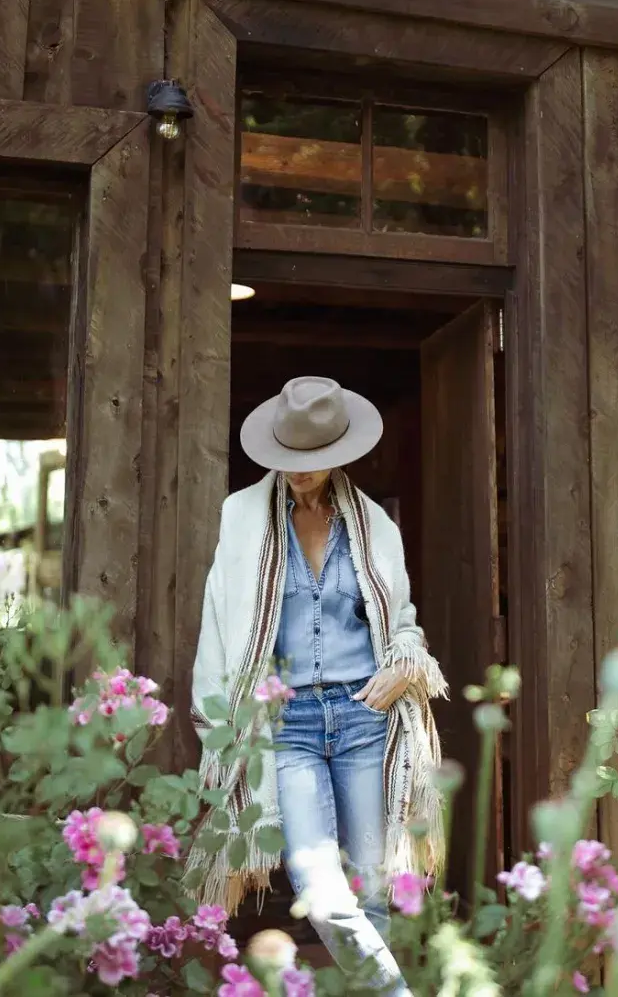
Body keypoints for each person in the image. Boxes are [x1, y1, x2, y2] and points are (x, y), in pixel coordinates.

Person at [188, 376, 447, 994]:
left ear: (340, 454)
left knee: (370, 889)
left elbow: (400, 621)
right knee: (320, 888)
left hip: (364, 714)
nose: (300, 472)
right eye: (289, 459)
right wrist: (220, 718)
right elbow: (220, 618)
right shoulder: (243, 516)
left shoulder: (374, 524)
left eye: (314, 460)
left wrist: (399, 666)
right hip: (287, 721)